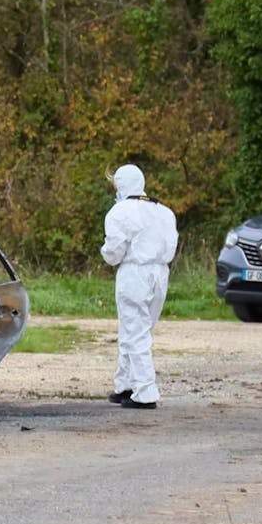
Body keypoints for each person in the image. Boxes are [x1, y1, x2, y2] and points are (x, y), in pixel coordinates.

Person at [100, 164, 178, 409]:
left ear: (121, 185)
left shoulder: (119, 212)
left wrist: (105, 252)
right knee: (138, 330)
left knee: (134, 332)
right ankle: (125, 385)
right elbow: (171, 245)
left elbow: (113, 253)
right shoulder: (164, 211)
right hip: (160, 273)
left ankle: (145, 392)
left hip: (135, 273)